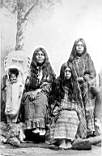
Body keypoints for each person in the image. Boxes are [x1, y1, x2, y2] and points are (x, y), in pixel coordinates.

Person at [50, 63, 87, 149]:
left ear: (72, 72)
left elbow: (78, 102)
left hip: (72, 108)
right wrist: (57, 107)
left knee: (73, 116)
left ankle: (69, 140)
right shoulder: (57, 83)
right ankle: (62, 140)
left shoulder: (75, 85)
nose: (67, 73)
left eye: (69, 71)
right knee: (64, 116)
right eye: (65, 71)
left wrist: (73, 108)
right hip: (60, 108)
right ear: (62, 72)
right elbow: (54, 99)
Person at [67, 38, 97, 137]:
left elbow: (92, 73)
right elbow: (67, 72)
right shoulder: (71, 60)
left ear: (84, 47)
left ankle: (90, 129)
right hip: (74, 86)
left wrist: (84, 78)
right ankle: (79, 131)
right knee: (76, 107)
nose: (79, 47)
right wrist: (74, 80)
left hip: (85, 86)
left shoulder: (87, 58)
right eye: (77, 45)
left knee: (88, 105)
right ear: (75, 47)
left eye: (81, 45)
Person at [22, 47, 55, 137]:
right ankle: (31, 127)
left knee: (40, 99)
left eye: (42, 55)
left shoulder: (48, 70)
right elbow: (26, 84)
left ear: (45, 57)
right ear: (34, 57)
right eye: (38, 55)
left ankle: (41, 127)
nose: (40, 57)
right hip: (30, 92)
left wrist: (38, 91)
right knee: (29, 100)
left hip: (43, 92)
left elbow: (50, 84)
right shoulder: (29, 70)